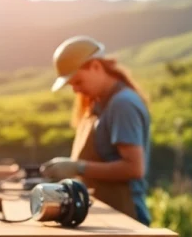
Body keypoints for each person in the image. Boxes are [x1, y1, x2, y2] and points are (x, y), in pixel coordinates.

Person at [40, 35, 153, 226]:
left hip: (125, 217)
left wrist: (78, 167)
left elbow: (134, 168)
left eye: (78, 81)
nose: (75, 90)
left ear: (96, 67)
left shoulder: (122, 104)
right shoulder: (99, 104)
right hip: (106, 214)